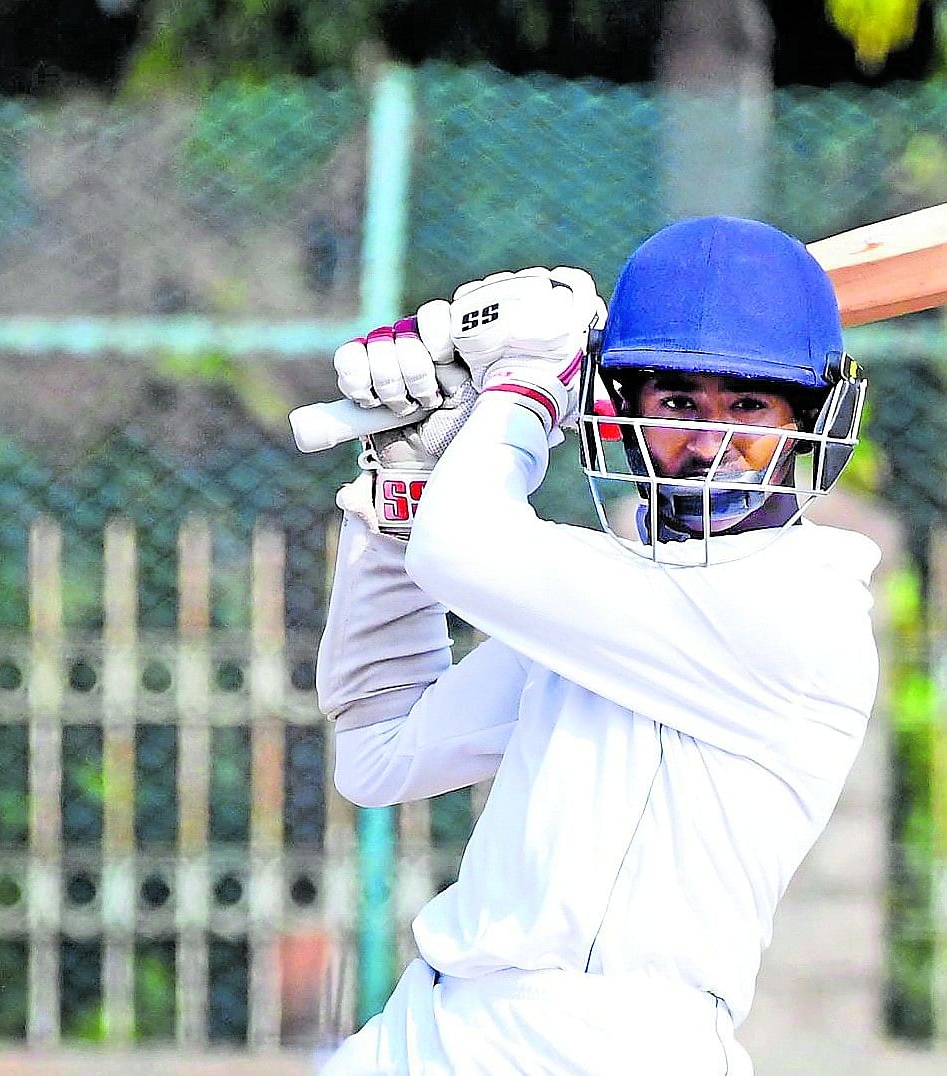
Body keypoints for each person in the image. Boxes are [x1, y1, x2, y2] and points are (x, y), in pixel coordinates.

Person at [315, 216, 879, 1074]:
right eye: (680, 403)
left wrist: (521, 384)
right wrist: (403, 486)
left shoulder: (797, 609)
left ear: (813, 418)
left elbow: (463, 548)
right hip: (429, 1028)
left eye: (749, 406)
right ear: (622, 412)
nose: (708, 443)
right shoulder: (611, 605)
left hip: (614, 1045)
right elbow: (380, 753)